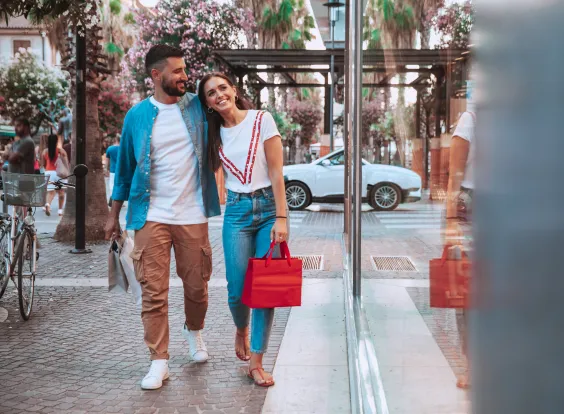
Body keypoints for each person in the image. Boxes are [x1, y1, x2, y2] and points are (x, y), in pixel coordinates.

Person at [104, 45, 220, 390]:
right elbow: (125, 170)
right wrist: (114, 214)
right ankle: (159, 361)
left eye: (185, 70)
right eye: (178, 71)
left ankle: (194, 331)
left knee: (197, 287)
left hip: (192, 214)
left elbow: (231, 120)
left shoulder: (199, 109)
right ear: (157, 76)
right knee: (154, 292)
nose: (185, 76)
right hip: (150, 214)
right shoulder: (137, 117)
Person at [198, 72, 288, 388]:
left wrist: (282, 217)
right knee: (237, 291)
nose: (218, 94)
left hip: (267, 210)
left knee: (265, 290)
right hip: (236, 211)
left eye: (223, 88)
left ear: (234, 91)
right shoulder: (213, 135)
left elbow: (277, 172)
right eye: (211, 93)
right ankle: (241, 328)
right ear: (207, 103)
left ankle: (257, 361)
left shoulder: (262, 119)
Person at [445, 103, 475, 389]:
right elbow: (454, 176)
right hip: (473, 206)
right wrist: (451, 219)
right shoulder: (471, 118)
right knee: (468, 291)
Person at [40, 134, 68, 216]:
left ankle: (48, 204)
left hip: (49, 173)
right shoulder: (61, 151)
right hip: (59, 173)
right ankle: (60, 211)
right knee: (61, 192)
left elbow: (43, 164)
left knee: (51, 192)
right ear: (56, 141)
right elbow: (66, 163)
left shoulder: (44, 152)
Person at [105, 136, 119, 206]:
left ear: (115, 140)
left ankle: (113, 199)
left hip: (113, 170)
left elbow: (107, 160)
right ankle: (119, 201)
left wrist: (105, 169)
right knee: (120, 185)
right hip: (121, 170)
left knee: (112, 185)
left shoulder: (110, 148)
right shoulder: (123, 148)